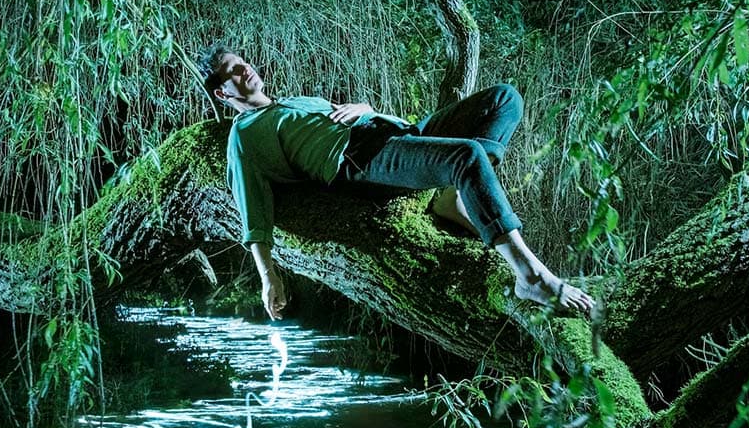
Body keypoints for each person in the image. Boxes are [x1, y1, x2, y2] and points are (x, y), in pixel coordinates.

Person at [199, 46, 595, 320]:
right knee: (467, 156)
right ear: (223, 92)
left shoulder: (297, 101)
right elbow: (252, 206)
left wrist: (369, 109)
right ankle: (531, 276)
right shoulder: (246, 134)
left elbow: (367, 120)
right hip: (360, 159)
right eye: (233, 71)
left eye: (242, 62)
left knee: (503, 99)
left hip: (394, 133)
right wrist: (269, 277)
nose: (244, 68)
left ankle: (450, 196)